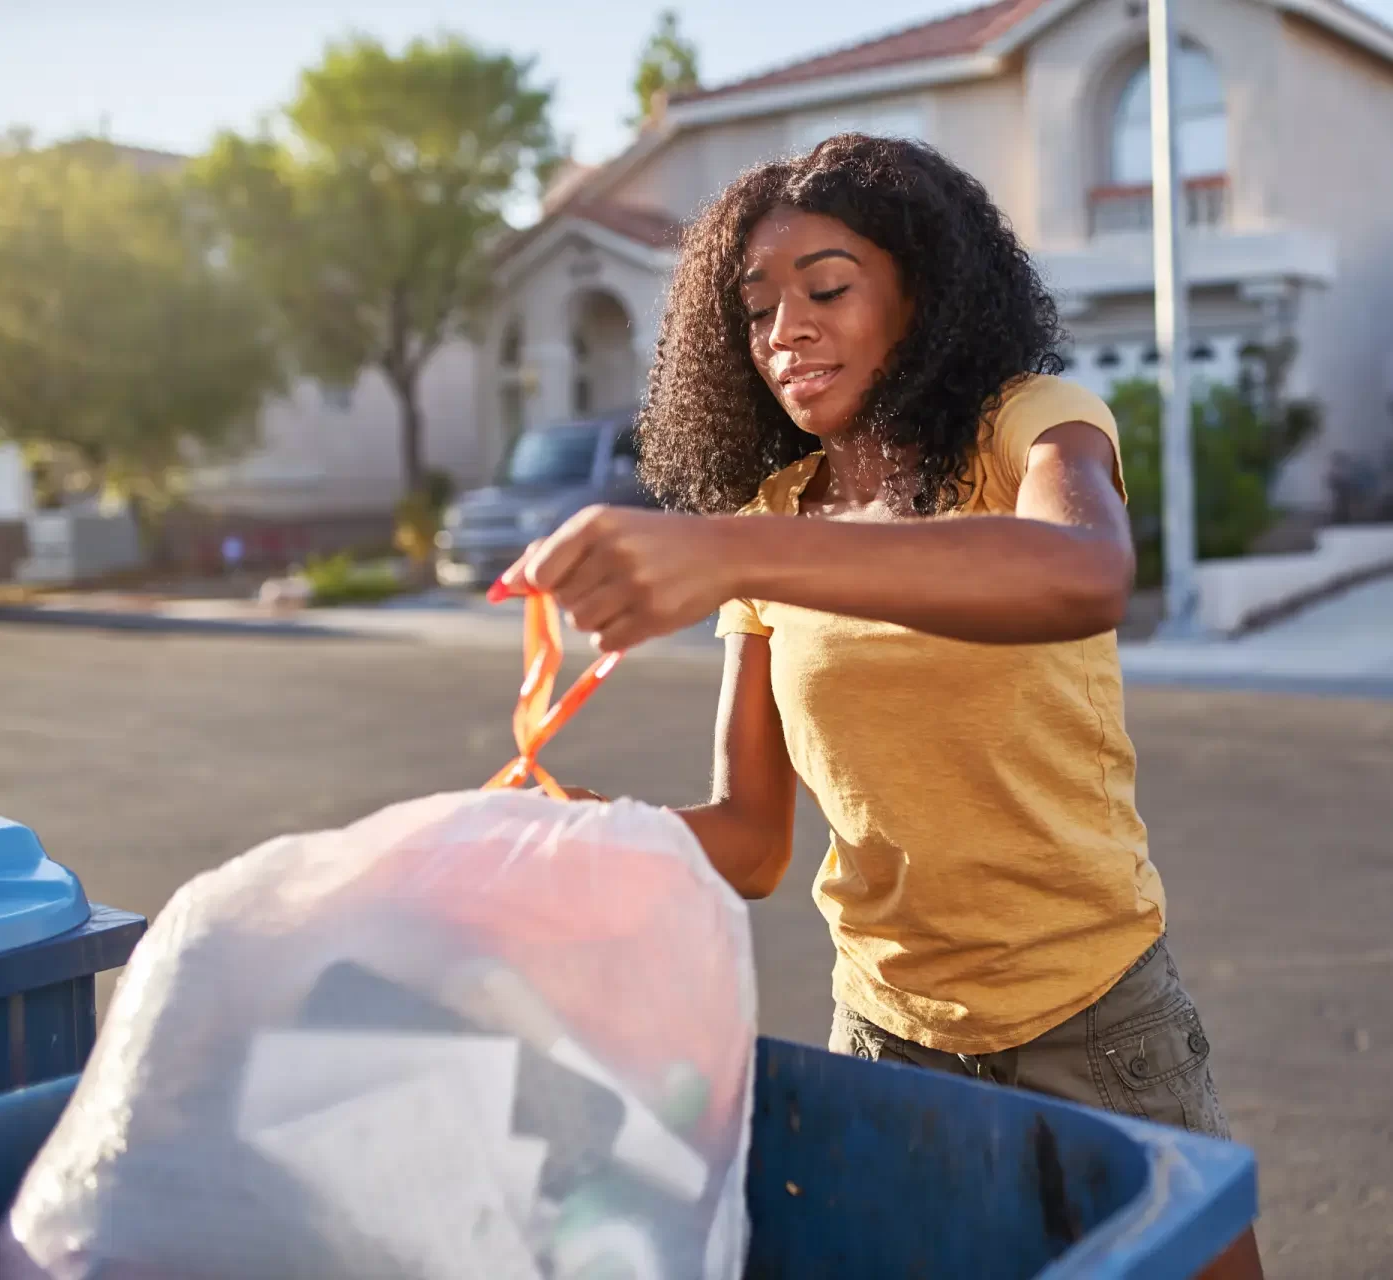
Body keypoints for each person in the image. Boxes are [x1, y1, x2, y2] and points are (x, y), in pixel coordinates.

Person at [497, 134, 1263, 1279]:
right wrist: (573, 831)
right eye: (756, 311)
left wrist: (736, 549)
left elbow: (1083, 574)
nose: (785, 331)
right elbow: (752, 840)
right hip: (888, 1034)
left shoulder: (1031, 425)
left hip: (1096, 1014)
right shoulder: (772, 514)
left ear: (922, 290)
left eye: (827, 288)